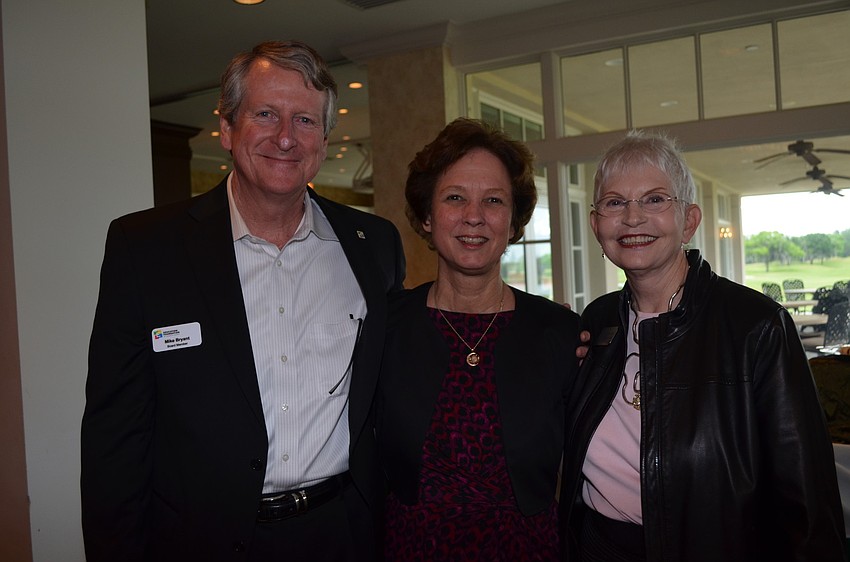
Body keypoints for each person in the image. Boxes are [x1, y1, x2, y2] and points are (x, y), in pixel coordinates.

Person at [81, 40, 405, 562]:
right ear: (227, 129)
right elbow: (115, 435)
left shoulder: (374, 245)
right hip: (198, 540)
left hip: (342, 533)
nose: (285, 137)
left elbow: (403, 372)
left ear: (324, 140)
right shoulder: (145, 249)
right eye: (265, 114)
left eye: (304, 120)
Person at [562, 130, 845, 561]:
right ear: (596, 223)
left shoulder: (757, 327)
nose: (632, 218)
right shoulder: (597, 323)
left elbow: (807, 505)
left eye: (655, 199)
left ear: (689, 220)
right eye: (615, 202)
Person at [375, 118, 582, 560]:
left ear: (513, 221)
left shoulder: (561, 334)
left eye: (493, 200)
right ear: (428, 216)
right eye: (454, 198)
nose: (474, 216)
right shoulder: (383, 328)